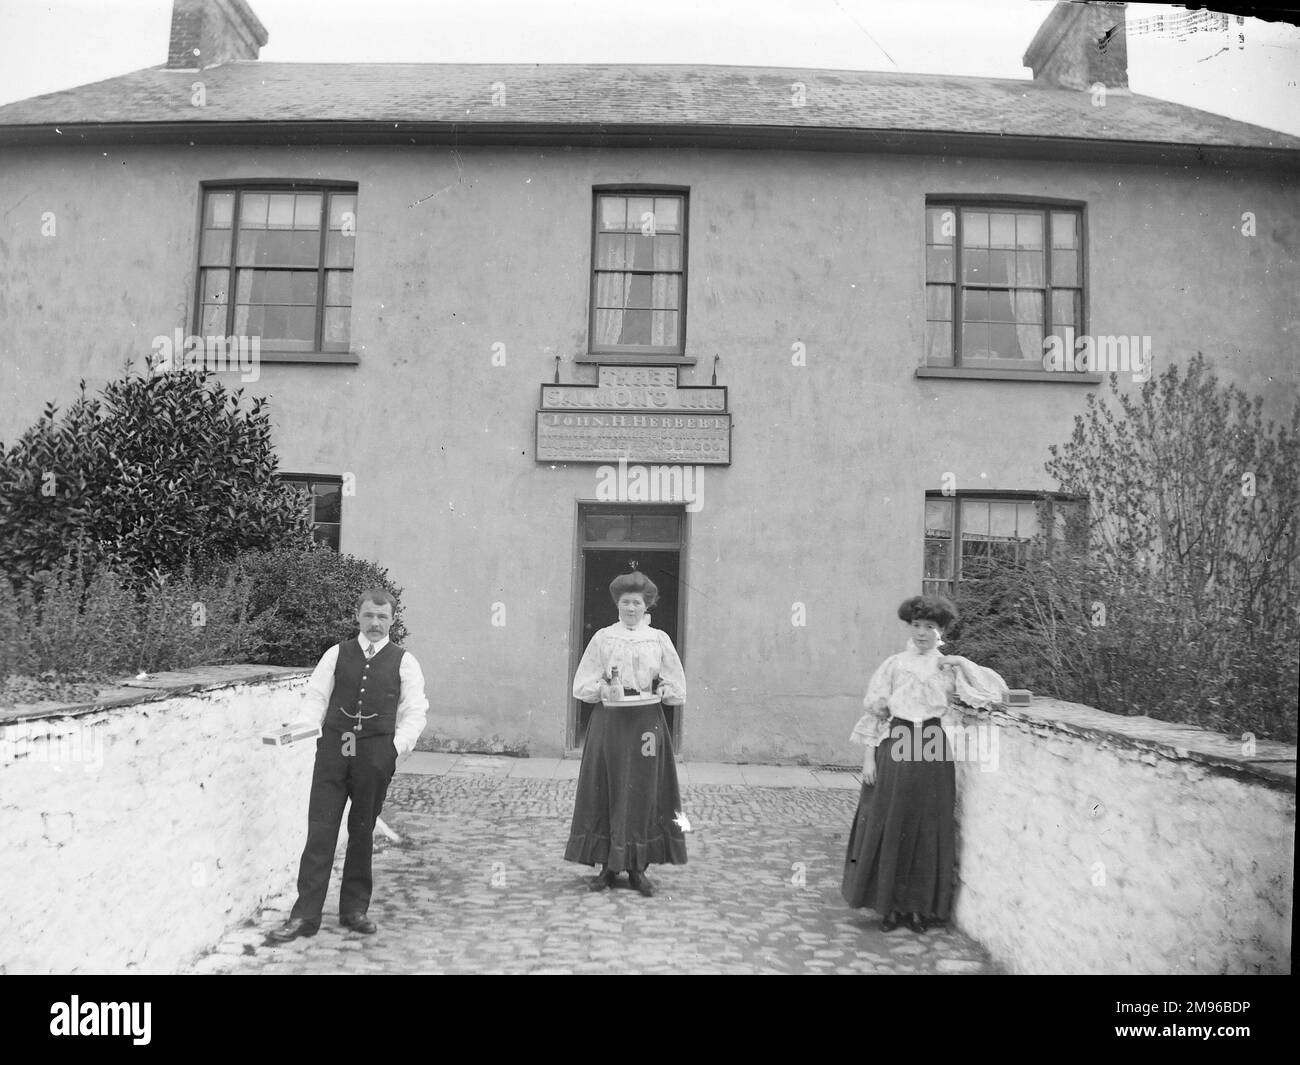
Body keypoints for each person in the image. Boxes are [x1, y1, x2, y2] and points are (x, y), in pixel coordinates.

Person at [266, 589, 428, 942]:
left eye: (382, 617)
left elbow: (415, 712)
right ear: (358, 616)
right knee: (320, 832)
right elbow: (315, 699)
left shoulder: (405, 662)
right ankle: (305, 917)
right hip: (333, 753)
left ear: (392, 621)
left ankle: (354, 909)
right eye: (369, 615)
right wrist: (300, 729)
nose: (375, 623)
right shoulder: (336, 654)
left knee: (362, 831)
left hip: (375, 756)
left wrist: (394, 749)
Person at [841, 594, 1007, 934]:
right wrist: (869, 758)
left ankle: (918, 909)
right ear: (909, 627)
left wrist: (961, 662)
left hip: (931, 742)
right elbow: (876, 713)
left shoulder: (947, 666)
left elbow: (994, 693)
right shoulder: (894, 665)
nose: (921, 633)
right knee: (894, 821)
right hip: (898, 740)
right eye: (916, 626)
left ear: (940, 630)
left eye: (929, 627)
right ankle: (890, 907)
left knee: (927, 825)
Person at [565, 571, 687, 897]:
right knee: (606, 785)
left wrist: (663, 688)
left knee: (644, 788)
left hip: (647, 721)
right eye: (625, 602)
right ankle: (607, 866)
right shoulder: (604, 638)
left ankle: (638, 867)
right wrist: (603, 687)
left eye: (636, 602)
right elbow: (582, 684)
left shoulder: (658, 639)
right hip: (611, 720)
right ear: (617, 604)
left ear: (646, 604)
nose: (631, 608)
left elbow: (676, 686)